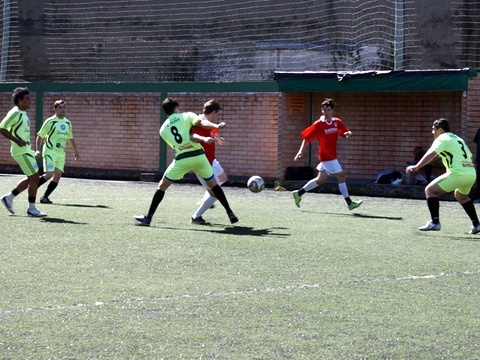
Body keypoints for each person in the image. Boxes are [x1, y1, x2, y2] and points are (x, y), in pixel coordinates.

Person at [134, 97, 238, 226]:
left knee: (162, 186)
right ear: (176, 108)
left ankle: (148, 217)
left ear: (165, 111)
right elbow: (201, 123)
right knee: (214, 185)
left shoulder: (162, 130)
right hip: (199, 156)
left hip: (182, 158)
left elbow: (174, 145)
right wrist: (216, 126)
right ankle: (229, 212)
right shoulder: (187, 115)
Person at [406, 118, 480, 234]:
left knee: (430, 190)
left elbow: (431, 153)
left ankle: (435, 222)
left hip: (458, 173)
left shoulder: (442, 138)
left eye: (433, 129)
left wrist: (416, 167)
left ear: (440, 130)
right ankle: (477, 225)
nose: (432, 132)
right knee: (461, 196)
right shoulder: (457, 138)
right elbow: (470, 157)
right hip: (471, 173)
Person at [292, 98, 363, 210]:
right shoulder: (318, 124)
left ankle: (299, 193)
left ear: (332, 110)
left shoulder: (337, 122)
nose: (326, 112)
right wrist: (300, 151)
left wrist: (348, 133)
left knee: (320, 180)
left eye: (328, 109)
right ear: (321, 111)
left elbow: (344, 132)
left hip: (332, 155)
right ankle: (349, 203)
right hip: (326, 156)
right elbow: (307, 138)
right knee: (341, 176)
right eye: (324, 110)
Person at [0, 87, 46, 217]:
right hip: (20, 151)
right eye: (27, 99)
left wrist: (32, 151)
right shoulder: (15, 112)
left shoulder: (23, 114)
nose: (30, 101)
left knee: (31, 178)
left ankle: (8, 198)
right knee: (35, 177)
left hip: (26, 151)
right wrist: (17, 141)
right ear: (20, 101)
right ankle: (31, 209)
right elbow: (2, 128)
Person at [190, 99, 228, 225]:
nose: (216, 117)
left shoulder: (206, 123)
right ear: (213, 112)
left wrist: (217, 138)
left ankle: (206, 198)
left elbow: (210, 132)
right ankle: (196, 216)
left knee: (222, 178)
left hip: (211, 160)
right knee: (215, 192)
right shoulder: (200, 123)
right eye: (217, 114)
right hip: (203, 163)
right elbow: (195, 135)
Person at [35, 99, 79, 204]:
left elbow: (70, 138)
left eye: (64, 107)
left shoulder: (68, 123)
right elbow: (40, 136)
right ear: (55, 109)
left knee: (58, 175)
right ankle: (33, 187)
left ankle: (45, 197)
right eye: (60, 107)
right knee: (49, 174)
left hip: (61, 153)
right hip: (49, 151)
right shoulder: (50, 121)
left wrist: (75, 151)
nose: (62, 109)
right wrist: (37, 150)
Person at [472, 127, 480, 202]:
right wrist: (475, 155)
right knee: (479, 179)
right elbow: (476, 144)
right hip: (479, 160)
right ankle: (478, 197)